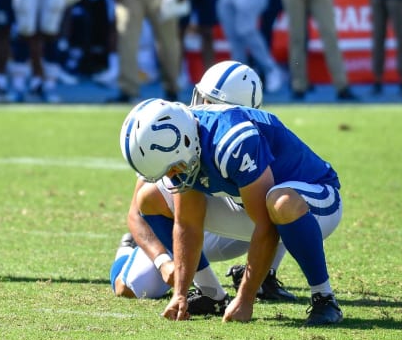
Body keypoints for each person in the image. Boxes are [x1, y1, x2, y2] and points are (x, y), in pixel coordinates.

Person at [119, 98, 344, 325]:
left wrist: (245, 298)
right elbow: (187, 223)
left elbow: (266, 226)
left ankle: (324, 297)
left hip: (316, 202)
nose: (172, 176)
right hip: (252, 204)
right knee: (150, 197)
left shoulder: (232, 140)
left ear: (185, 141)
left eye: (173, 168)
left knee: (280, 202)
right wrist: (180, 293)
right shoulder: (186, 139)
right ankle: (211, 294)